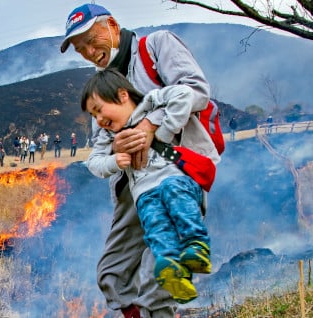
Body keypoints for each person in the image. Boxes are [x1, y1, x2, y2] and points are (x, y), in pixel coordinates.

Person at [61, 3, 215, 317]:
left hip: (175, 173)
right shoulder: (98, 88)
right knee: (112, 275)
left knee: (160, 275)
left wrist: (149, 126)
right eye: (81, 49)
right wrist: (118, 142)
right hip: (135, 188)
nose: (90, 52)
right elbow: (100, 146)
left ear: (112, 26)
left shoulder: (156, 46)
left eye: (93, 40)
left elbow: (197, 90)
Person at [82, 69, 212, 304]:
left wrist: (161, 129)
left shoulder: (150, 103)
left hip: (174, 179)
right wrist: (113, 161)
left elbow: (184, 93)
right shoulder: (107, 135)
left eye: (99, 110)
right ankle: (172, 272)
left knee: (178, 202)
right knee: (156, 228)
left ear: (122, 95)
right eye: (93, 115)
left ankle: (196, 246)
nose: (99, 121)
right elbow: (93, 162)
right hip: (145, 194)